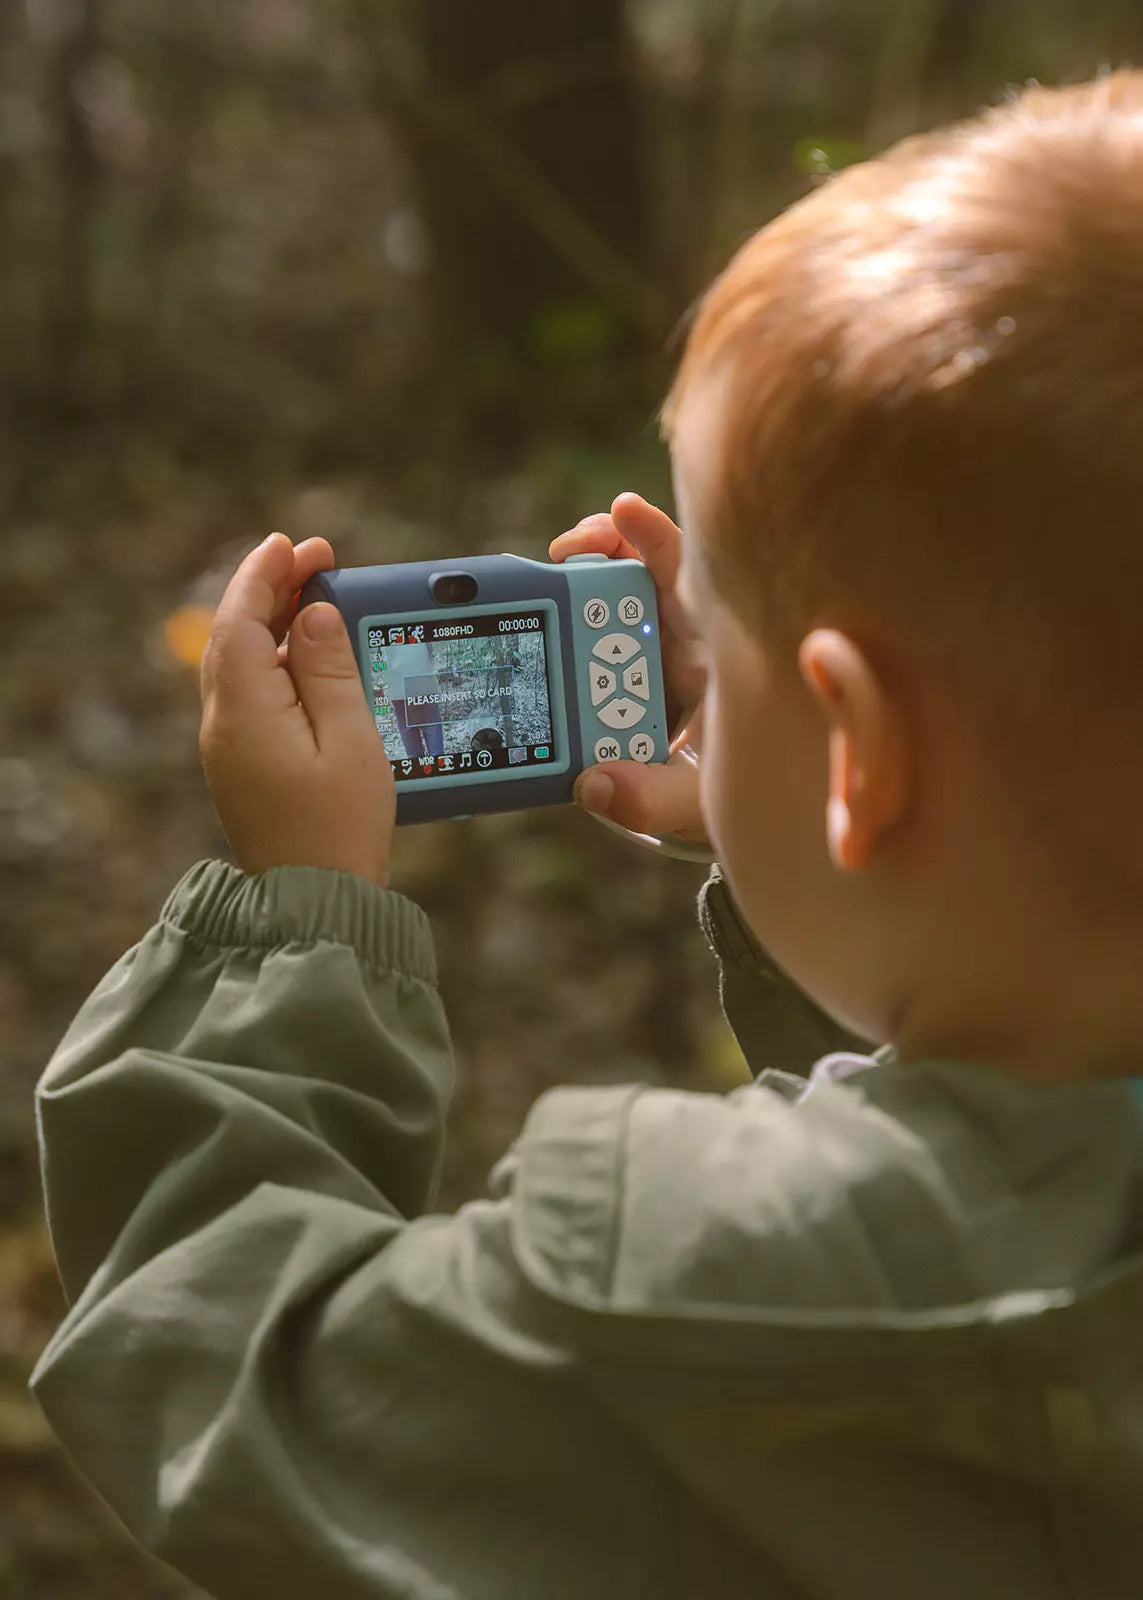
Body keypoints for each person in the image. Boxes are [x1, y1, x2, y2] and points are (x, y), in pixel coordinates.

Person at [30, 72, 1143, 1600]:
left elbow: (232, 1364)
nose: (679, 646)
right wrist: (799, 831)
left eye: (725, 633)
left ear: (863, 754)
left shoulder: (688, 1301)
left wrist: (299, 916)